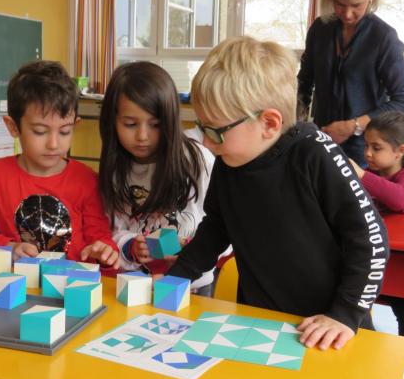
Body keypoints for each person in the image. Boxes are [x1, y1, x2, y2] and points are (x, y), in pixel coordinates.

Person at [165, 36, 389, 350]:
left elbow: (370, 239)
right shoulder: (230, 163)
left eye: (215, 131)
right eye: (202, 128)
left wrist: (346, 313)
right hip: (261, 324)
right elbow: (215, 230)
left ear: (269, 123)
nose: (205, 143)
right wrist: (176, 278)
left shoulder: (315, 154)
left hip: (329, 329)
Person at [0, 60, 119, 271]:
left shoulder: (86, 179)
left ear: (75, 126)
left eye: (64, 131)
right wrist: (10, 247)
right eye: (39, 131)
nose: (54, 144)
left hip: (72, 289)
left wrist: (105, 252)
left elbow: (99, 237)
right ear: (13, 126)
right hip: (14, 286)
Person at [97, 62, 216, 294]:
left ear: (171, 120)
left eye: (155, 125)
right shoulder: (115, 169)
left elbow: (223, 228)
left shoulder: (198, 160)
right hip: (138, 283)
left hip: (194, 284)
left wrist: (194, 251)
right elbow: (113, 229)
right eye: (130, 124)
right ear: (113, 121)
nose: (142, 136)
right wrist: (132, 246)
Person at [297, 0, 404, 166]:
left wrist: (353, 126)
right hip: (321, 142)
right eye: (339, 4)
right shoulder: (319, 29)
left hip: (367, 153)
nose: (347, 14)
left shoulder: (383, 38)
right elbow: (304, 83)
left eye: (356, 5)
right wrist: (295, 124)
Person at [349, 111, 404, 340]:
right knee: (353, 305)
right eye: (366, 145)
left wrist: (362, 176)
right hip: (375, 262)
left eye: (376, 148)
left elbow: (400, 198)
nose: (367, 153)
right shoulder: (373, 175)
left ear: (400, 151)